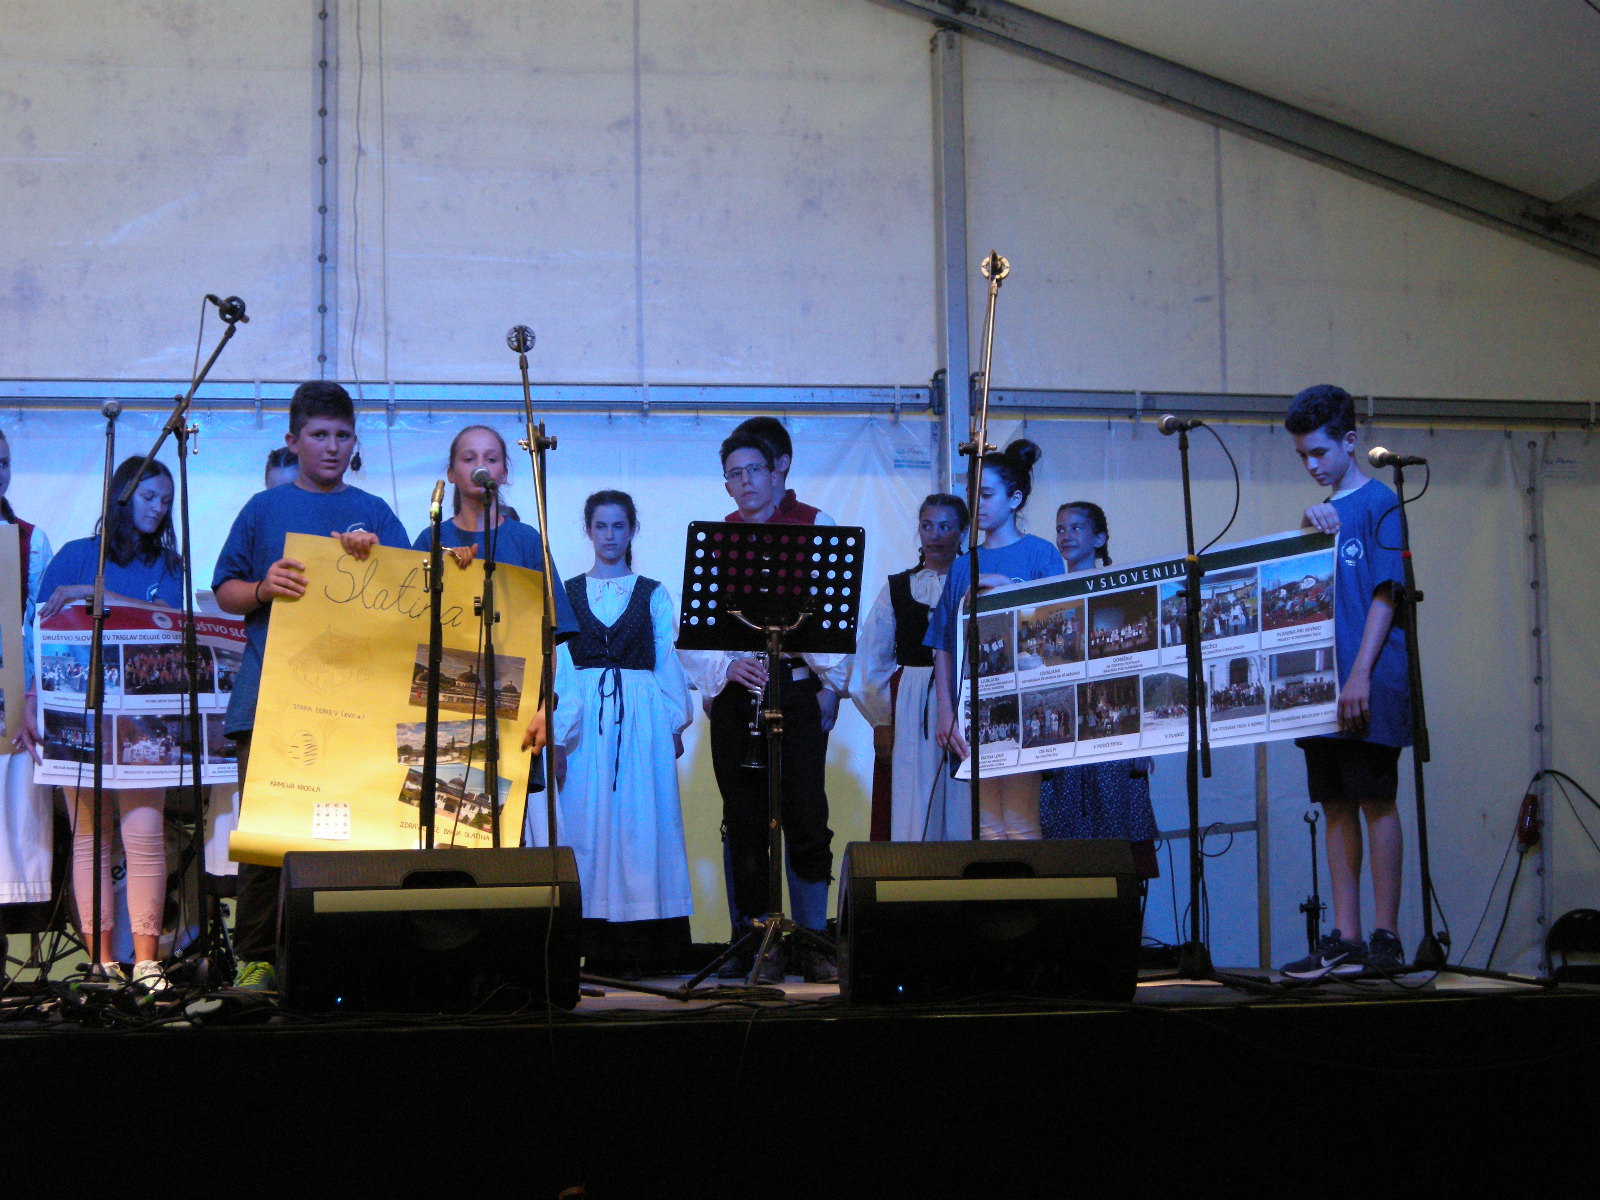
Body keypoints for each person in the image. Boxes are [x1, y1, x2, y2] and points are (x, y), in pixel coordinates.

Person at [213, 381, 411, 991]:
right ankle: (255, 957)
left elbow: (412, 594)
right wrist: (262, 587)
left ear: (355, 442)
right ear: (292, 440)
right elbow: (226, 591)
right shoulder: (263, 508)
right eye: (319, 435)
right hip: (270, 698)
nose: (331, 446)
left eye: (342, 435)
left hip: (355, 704)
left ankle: (346, 958)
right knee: (268, 837)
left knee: (354, 832)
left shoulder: (375, 512)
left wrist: (377, 559)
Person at [680, 427, 850, 983]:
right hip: (740, 697)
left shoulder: (814, 527)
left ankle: (812, 940)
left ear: (778, 471)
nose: (746, 481)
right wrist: (725, 668)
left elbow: (835, 626)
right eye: (735, 473)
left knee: (807, 817)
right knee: (745, 820)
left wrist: (826, 681)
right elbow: (694, 635)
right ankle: (755, 942)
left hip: (795, 691)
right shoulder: (717, 540)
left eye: (754, 469)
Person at [32, 457, 184, 989]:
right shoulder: (77, 555)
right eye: (148, 497)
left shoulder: (169, 564)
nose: (158, 508)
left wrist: (97, 598)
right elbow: (40, 633)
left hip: (145, 717)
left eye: (166, 501)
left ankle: (147, 962)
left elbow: (170, 622)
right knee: (90, 840)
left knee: (144, 836)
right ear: (122, 496)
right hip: (78, 713)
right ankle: (101, 963)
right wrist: (30, 699)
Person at [1279, 384, 1411, 979]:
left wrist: (1359, 673)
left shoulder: (1381, 500)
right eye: (1302, 456)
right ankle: (1346, 935)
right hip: (1319, 684)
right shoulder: (1322, 512)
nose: (1311, 465)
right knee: (1335, 805)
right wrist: (1307, 526)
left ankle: (1386, 935)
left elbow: (1386, 593)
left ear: (1350, 441)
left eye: (1319, 452)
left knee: (1376, 800)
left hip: (1368, 678)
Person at [411, 423, 578, 843]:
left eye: (491, 458)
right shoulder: (431, 540)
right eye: (468, 458)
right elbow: (405, 628)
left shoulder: (526, 541)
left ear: (504, 472)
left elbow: (549, 639)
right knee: (442, 836)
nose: (480, 466)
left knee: (503, 840)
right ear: (451, 472)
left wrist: (546, 709)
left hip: (511, 717)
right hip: (442, 715)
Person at [551, 490, 693, 978]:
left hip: (641, 716)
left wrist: (674, 722)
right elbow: (561, 664)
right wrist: (560, 731)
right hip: (585, 716)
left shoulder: (652, 592)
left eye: (618, 526)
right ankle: (594, 943)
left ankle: (646, 945)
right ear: (588, 530)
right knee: (588, 821)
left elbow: (666, 657)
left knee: (641, 822)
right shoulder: (568, 592)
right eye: (601, 526)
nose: (609, 535)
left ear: (632, 530)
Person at [926, 440, 1063, 840]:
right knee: (987, 825)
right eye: (974, 494)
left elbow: (1058, 630)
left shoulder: (1041, 555)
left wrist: (1007, 588)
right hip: (976, 704)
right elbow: (943, 643)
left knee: (1020, 822)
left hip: (1026, 700)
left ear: (1014, 499)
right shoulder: (963, 564)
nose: (978, 504)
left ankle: (1026, 884)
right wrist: (945, 710)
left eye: (987, 495)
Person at [1038, 501, 1161, 878]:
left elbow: (1139, 663)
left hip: (1113, 726)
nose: (1066, 536)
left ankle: (1119, 906)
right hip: (1066, 729)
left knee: (1117, 834)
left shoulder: (1121, 590)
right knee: (1065, 841)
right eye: (1061, 529)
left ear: (1099, 537)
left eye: (1076, 528)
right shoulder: (1048, 593)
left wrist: (1144, 740)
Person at [851, 493, 970, 841]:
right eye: (927, 526)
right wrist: (882, 721)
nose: (935, 535)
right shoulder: (899, 589)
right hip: (912, 702)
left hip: (963, 699)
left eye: (945, 527)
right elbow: (872, 658)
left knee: (963, 798)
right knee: (913, 795)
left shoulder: (974, 584)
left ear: (962, 532)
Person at [0, 430, 55, 928]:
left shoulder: (29, 539)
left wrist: (30, 696)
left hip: (11, 695)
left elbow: (41, 624)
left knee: (12, 826)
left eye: (3, 462)